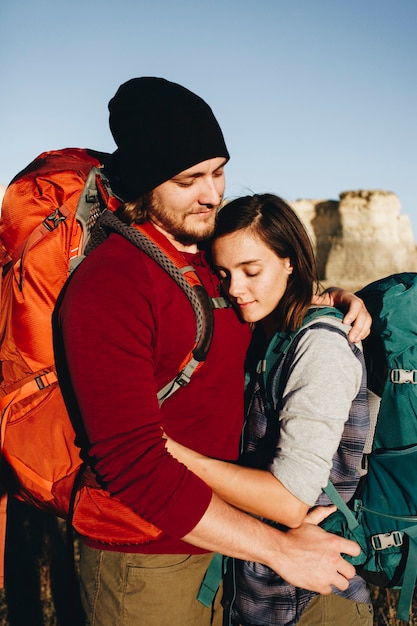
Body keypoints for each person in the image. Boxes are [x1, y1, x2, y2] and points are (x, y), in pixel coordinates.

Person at [54, 77, 371, 626]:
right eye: (189, 179)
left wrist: (331, 299)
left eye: (218, 171)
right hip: (145, 561)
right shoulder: (112, 285)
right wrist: (278, 551)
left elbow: (266, 297)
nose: (212, 194)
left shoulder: (210, 258)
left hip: (228, 544)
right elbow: (132, 464)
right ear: (146, 182)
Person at [165, 193, 374, 625]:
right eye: (223, 273)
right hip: (271, 587)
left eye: (251, 270)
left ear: (290, 261)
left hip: (320, 594)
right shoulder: (272, 332)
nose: (234, 288)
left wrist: (166, 452)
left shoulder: (319, 346)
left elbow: (289, 502)